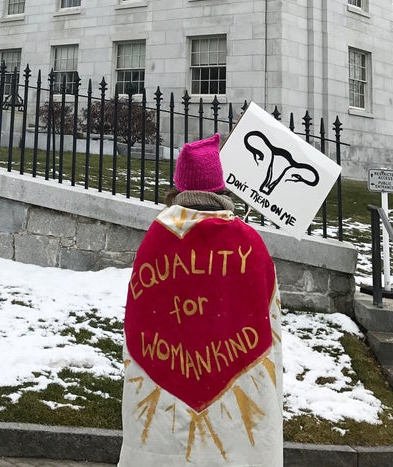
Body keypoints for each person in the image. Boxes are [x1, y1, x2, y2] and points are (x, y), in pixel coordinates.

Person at [118, 133, 283, 466]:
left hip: (164, 406)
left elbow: (136, 321)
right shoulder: (250, 243)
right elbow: (271, 322)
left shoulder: (155, 239)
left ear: (178, 187)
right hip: (236, 416)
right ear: (220, 189)